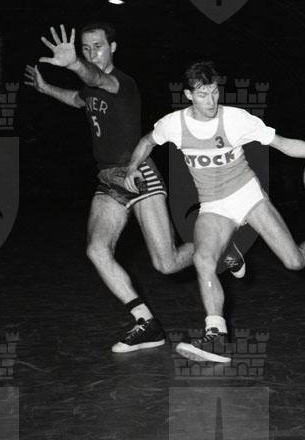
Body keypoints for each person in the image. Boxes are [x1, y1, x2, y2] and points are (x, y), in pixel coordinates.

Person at [125, 60, 305, 363]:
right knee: (203, 259)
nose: (211, 101)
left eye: (214, 92)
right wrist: (132, 166)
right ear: (188, 95)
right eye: (202, 94)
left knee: (293, 261)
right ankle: (215, 334)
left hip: (247, 195)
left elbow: (283, 144)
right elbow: (147, 141)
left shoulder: (235, 119)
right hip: (214, 205)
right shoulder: (173, 124)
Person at [24, 25, 245, 353]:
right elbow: (77, 98)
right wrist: (46, 88)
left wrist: (74, 64)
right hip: (108, 179)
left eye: (98, 46)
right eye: (86, 48)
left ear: (113, 47)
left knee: (166, 263)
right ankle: (147, 324)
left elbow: (96, 78)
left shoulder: (121, 83)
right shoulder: (90, 89)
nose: (92, 53)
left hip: (138, 174)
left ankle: (223, 247)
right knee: (96, 250)